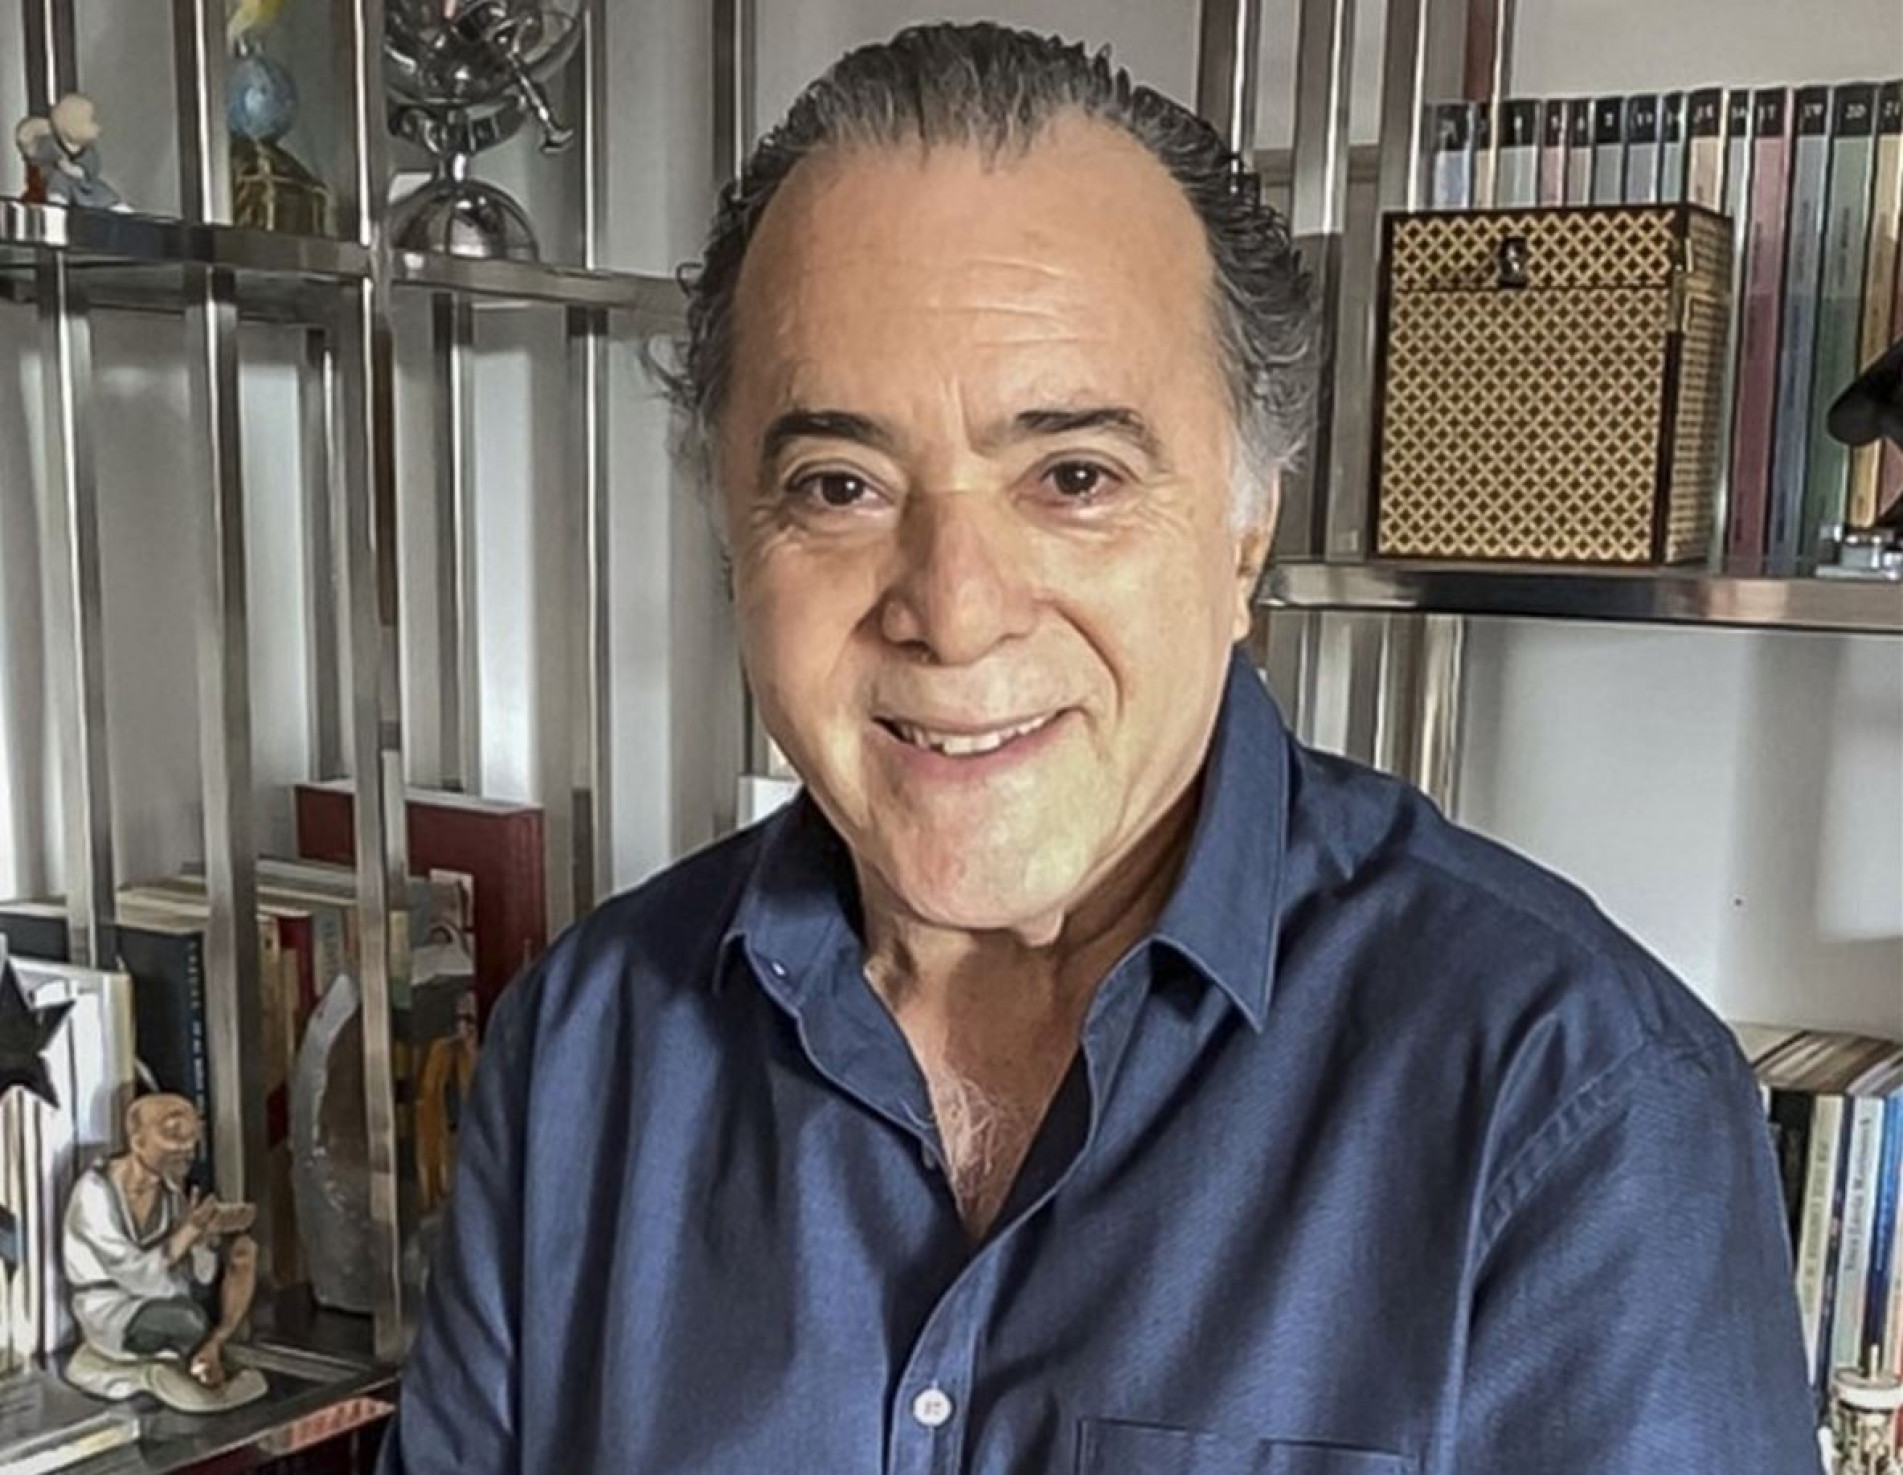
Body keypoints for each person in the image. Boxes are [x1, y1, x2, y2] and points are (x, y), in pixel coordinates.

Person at [380, 23, 1816, 1473]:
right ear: (731, 537)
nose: (954, 609)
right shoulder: (584, 1047)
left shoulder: (1572, 1105)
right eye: (839, 484)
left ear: (1244, 529)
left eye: (1072, 475)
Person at [62, 1093, 260, 1401]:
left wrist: (204, 1240)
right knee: (188, 1320)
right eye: (174, 1134)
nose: (186, 1148)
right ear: (138, 1141)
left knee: (242, 1252)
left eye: (193, 1137)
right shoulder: (94, 1193)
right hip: (117, 1306)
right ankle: (204, 1356)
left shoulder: (170, 1192)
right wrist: (188, 1231)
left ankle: (214, 1346)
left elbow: (199, 1275)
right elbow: (137, 1277)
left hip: (167, 1292)